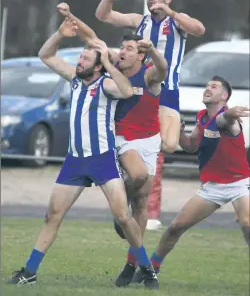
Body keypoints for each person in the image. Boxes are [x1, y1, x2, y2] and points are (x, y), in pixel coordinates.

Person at [7, 16, 159, 290]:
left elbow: (126, 90)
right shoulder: (75, 82)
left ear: (98, 66)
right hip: (74, 162)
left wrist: (110, 64)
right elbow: (45, 55)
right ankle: (29, 272)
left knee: (124, 218)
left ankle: (147, 269)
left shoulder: (107, 85)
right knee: (52, 216)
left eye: (86, 59)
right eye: (80, 58)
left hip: (102, 160)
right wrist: (60, 34)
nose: (79, 62)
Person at [56, 2, 168, 287]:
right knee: (140, 177)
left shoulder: (149, 72)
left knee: (142, 201)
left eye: (131, 49)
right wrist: (71, 16)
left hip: (149, 139)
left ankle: (132, 264)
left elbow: (163, 70)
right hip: (120, 136)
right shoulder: (114, 65)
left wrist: (153, 50)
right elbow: (91, 36)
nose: (124, 52)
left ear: (141, 54)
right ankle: (121, 213)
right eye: (124, 48)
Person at [95, 0, 206, 230]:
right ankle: (130, 188)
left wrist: (170, 10)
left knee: (168, 144)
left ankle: (130, 188)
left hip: (168, 91)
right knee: (136, 148)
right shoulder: (139, 21)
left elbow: (199, 29)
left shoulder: (177, 22)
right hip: (141, 91)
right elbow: (103, 16)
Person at [131, 76, 250, 282]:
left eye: (214, 87)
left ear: (224, 96)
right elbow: (191, 145)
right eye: (207, 86)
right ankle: (150, 269)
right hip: (212, 187)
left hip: (239, 183)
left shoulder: (226, 118)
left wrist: (231, 112)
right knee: (176, 227)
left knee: (247, 223)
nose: (207, 89)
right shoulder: (202, 117)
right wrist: (177, 131)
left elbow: (224, 121)